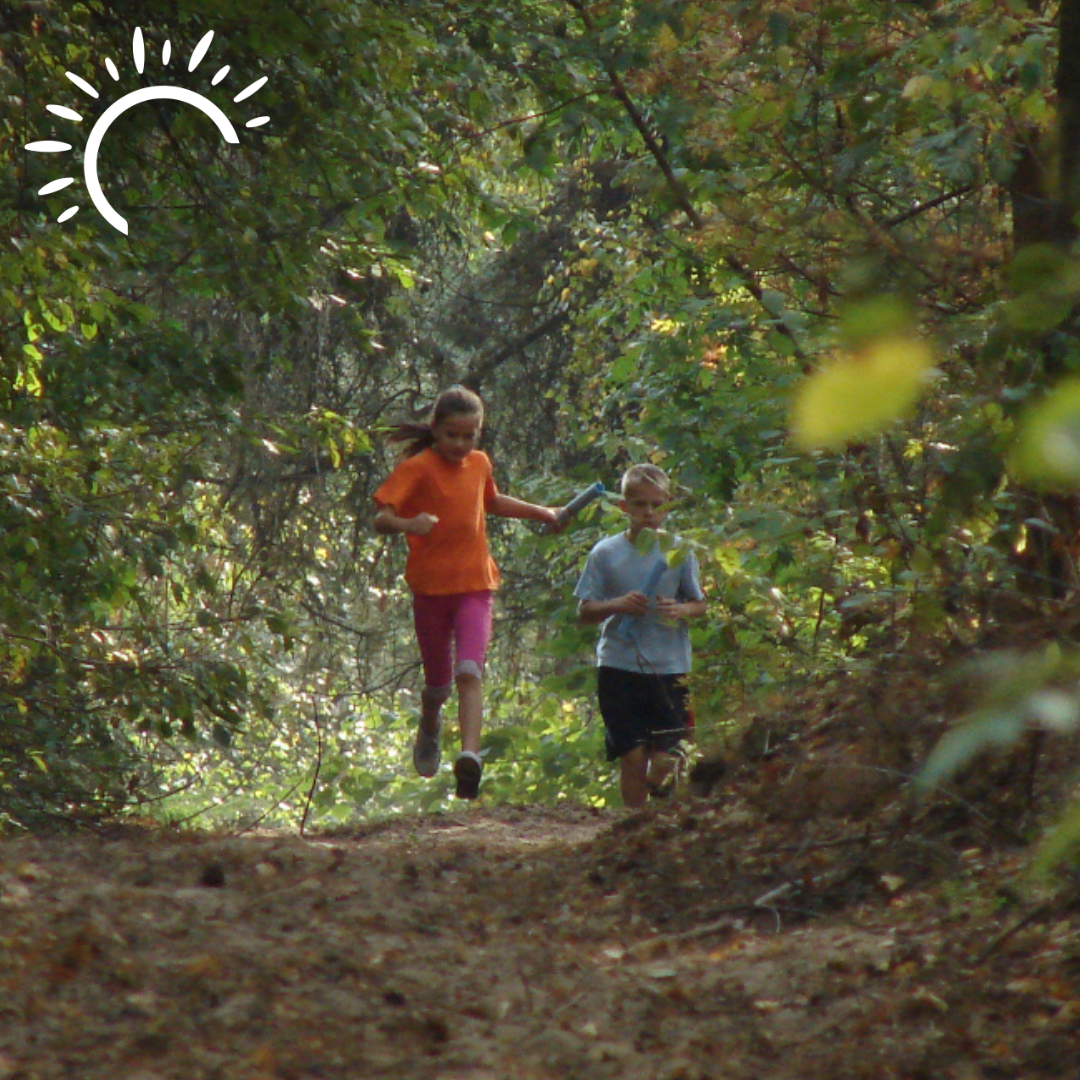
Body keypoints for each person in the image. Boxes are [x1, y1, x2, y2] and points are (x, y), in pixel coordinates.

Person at [373, 386, 562, 799]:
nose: (461, 445)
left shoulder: (478, 464)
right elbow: (381, 518)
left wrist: (542, 511)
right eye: (452, 436)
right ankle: (430, 721)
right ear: (436, 430)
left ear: (479, 435)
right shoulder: (417, 468)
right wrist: (408, 524)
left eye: (469, 436)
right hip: (430, 591)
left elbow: (491, 501)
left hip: (475, 586)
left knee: (469, 670)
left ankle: (469, 757)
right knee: (439, 683)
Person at [575, 464, 707, 809]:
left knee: (668, 755)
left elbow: (699, 603)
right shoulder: (605, 553)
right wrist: (617, 604)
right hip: (618, 666)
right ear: (624, 507)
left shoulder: (679, 551)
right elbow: (584, 613)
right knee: (632, 756)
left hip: (670, 666)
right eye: (639, 505)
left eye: (656, 504)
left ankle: (660, 800)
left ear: (668, 506)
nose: (648, 513)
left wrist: (680, 610)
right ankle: (632, 826)